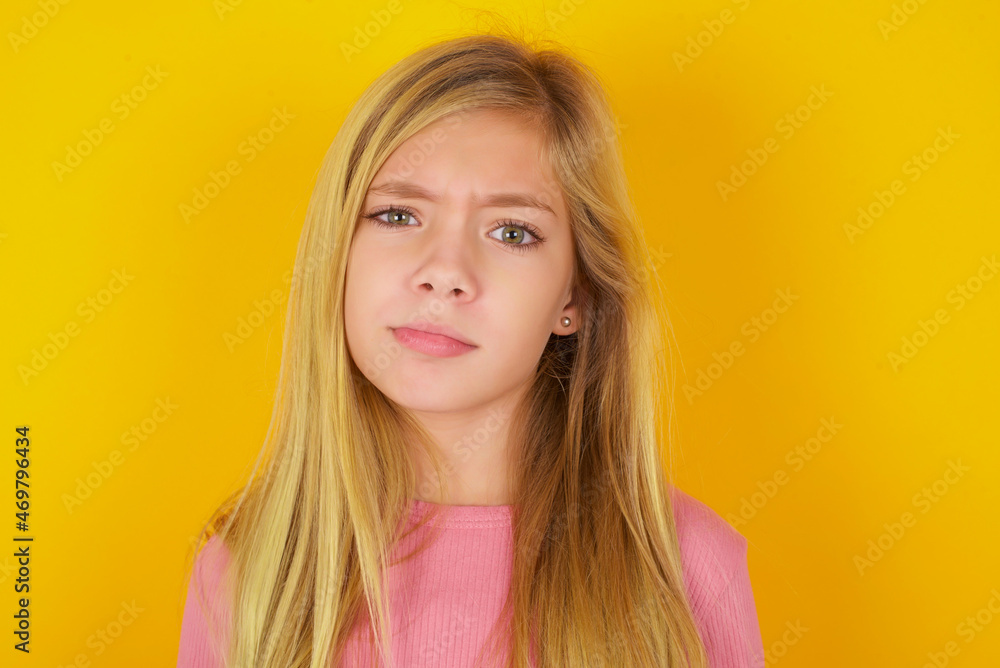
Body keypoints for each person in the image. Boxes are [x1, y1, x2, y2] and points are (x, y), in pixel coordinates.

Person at [176, 30, 764, 668]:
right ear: (337, 253)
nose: (444, 270)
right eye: (398, 215)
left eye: (512, 231)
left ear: (578, 297)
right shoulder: (250, 571)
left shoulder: (689, 571)